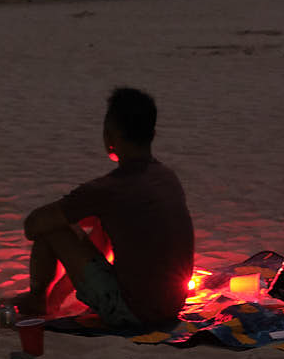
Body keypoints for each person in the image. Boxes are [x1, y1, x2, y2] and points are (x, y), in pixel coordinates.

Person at [10, 86, 195, 329]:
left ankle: (37, 299)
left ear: (109, 137)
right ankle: (51, 298)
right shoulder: (167, 177)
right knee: (98, 222)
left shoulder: (108, 189)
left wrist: (72, 219)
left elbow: (32, 226)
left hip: (133, 312)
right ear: (153, 134)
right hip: (172, 305)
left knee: (53, 227)